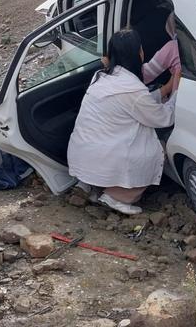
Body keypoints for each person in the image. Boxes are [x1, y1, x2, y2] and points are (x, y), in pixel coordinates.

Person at [67, 28, 181, 215]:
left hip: (83, 154)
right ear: (140, 53)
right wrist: (176, 88)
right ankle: (117, 198)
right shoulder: (132, 89)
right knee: (155, 151)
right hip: (106, 157)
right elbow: (164, 118)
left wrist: (164, 89)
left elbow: (133, 104)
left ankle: (91, 186)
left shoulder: (102, 76)